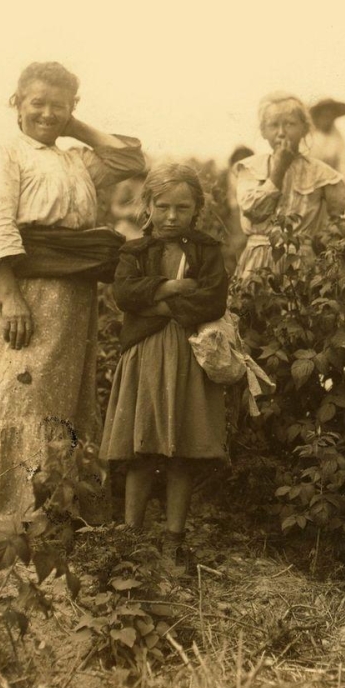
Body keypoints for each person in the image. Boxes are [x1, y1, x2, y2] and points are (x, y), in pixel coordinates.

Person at [0, 62, 145, 517]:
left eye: (59, 105)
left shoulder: (74, 159)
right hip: (22, 293)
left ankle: (52, 506)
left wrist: (73, 125)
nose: (47, 114)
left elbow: (132, 159)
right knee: (16, 394)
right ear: (17, 104)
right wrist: (12, 299)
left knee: (56, 399)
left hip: (70, 299)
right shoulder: (6, 154)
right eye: (37, 103)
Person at [100, 163, 229, 558]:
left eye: (182, 208)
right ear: (148, 207)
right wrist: (172, 289)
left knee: (181, 452)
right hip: (145, 354)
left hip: (189, 356)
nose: (172, 217)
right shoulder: (136, 250)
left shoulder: (207, 250)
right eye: (163, 207)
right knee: (141, 451)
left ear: (197, 209)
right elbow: (125, 294)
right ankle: (131, 538)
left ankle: (174, 539)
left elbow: (212, 299)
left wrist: (154, 302)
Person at [234, 92, 345, 279]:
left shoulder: (323, 174)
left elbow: (341, 220)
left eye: (290, 124)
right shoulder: (250, 168)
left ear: (305, 128)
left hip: (301, 265)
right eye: (273, 125)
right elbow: (254, 210)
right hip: (257, 263)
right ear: (263, 131)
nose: (281, 132)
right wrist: (279, 169)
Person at [308, 97, 345, 184]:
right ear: (318, 116)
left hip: (330, 183)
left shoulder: (337, 137)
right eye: (324, 115)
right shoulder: (308, 136)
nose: (327, 120)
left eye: (331, 116)